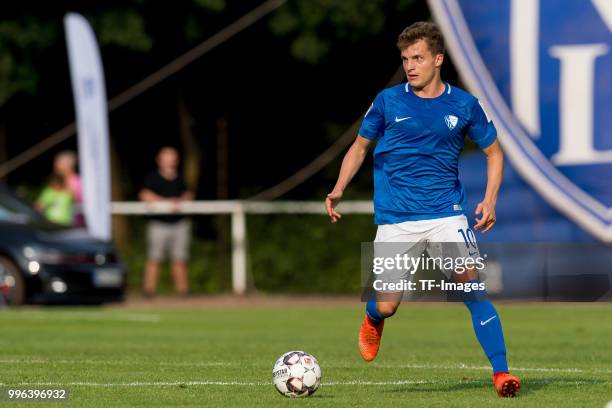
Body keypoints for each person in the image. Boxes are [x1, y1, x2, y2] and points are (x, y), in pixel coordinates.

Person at [325, 22, 521, 397]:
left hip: (447, 215)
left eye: (417, 58)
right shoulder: (387, 101)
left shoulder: (465, 105)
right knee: (387, 305)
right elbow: (360, 147)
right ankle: (373, 317)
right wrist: (338, 187)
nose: (410, 65)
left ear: (438, 59)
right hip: (396, 220)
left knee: (470, 285)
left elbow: (494, 153)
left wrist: (490, 198)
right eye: (405, 59)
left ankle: (502, 374)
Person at [139, 146, 193, 297]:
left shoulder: (181, 178)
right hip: (159, 224)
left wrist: (180, 201)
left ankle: (183, 292)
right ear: (160, 160)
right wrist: (166, 202)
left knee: (180, 259)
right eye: (166, 157)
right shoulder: (152, 177)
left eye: (172, 157)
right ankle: (149, 291)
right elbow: (144, 195)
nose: (170, 160)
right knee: (154, 258)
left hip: (179, 224)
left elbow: (188, 195)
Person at [53, 151, 83, 227]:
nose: (56, 166)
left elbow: (79, 203)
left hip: (74, 225)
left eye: (58, 163)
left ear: (68, 165)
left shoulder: (77, 182)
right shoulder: (61, 183)